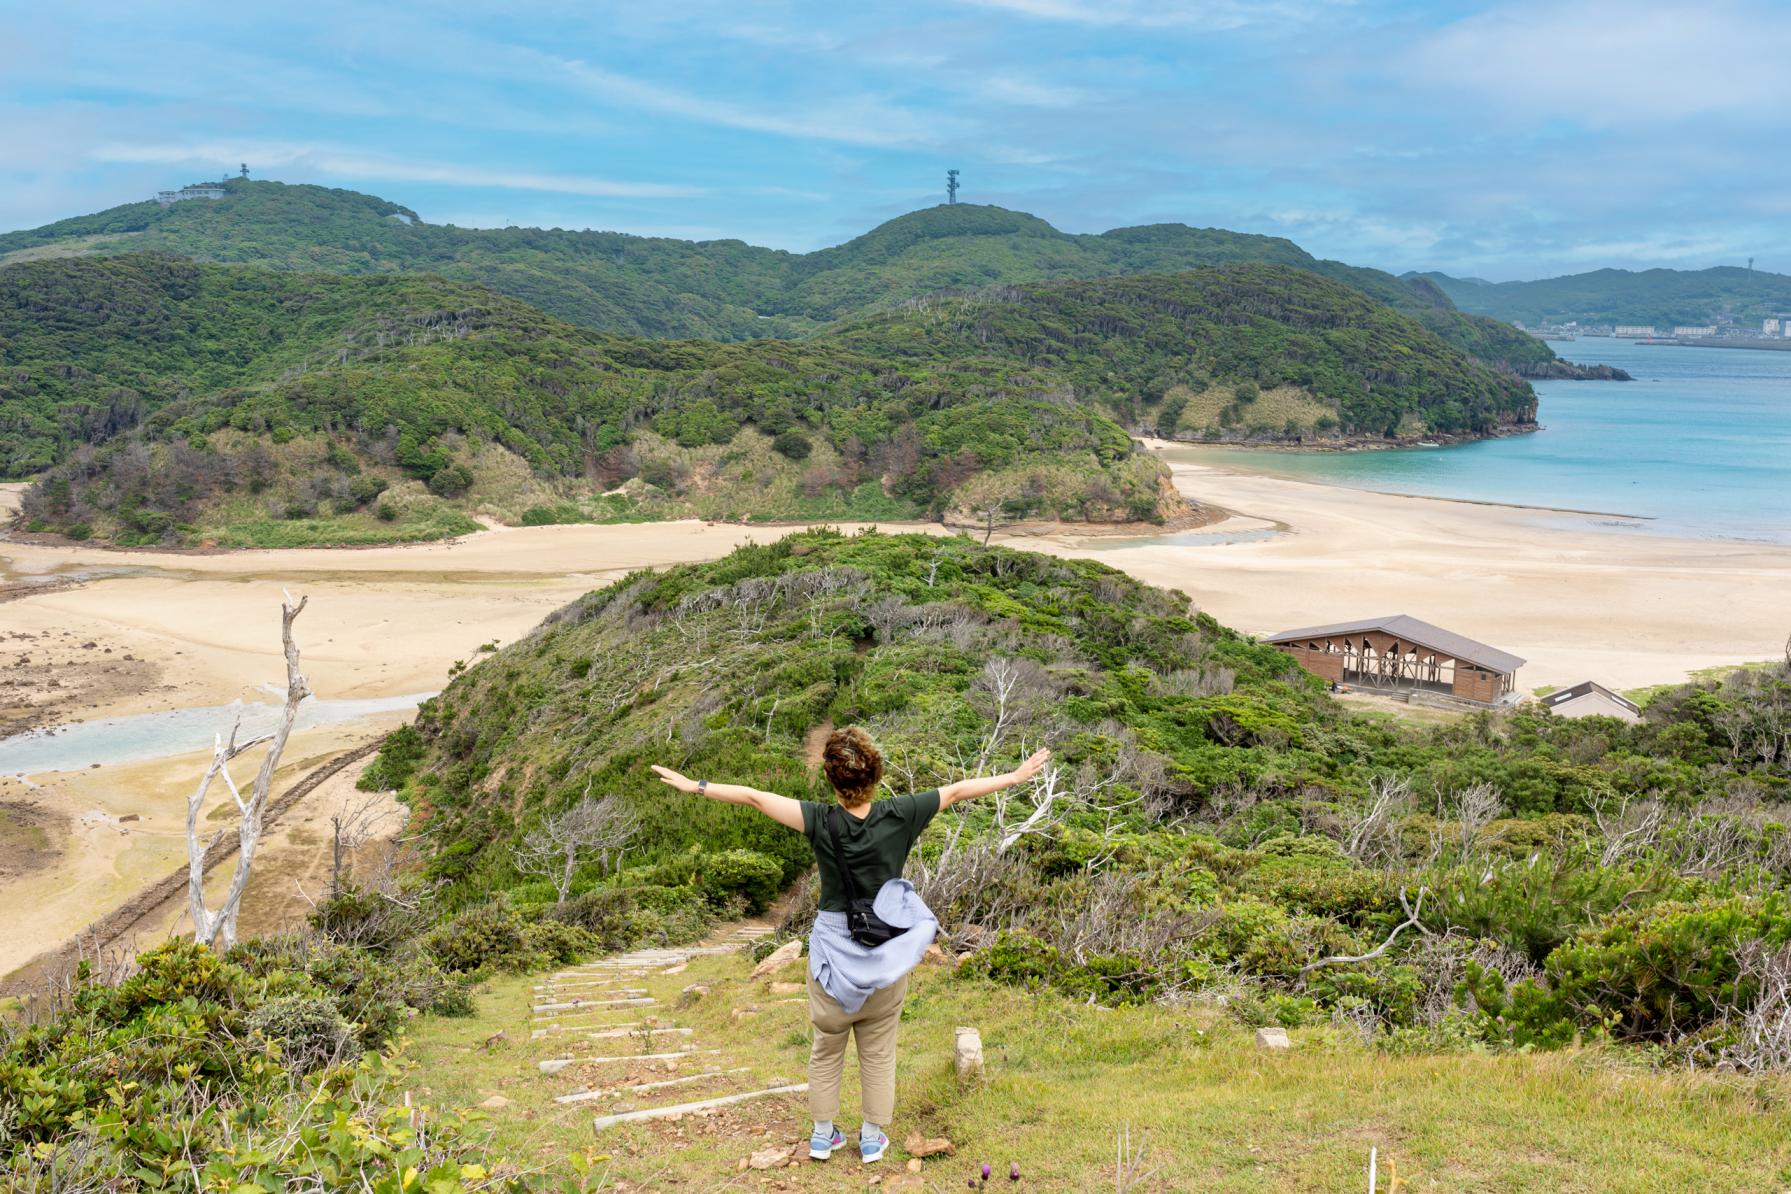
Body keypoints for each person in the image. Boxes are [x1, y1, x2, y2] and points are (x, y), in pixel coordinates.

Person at [651, 728, 1050, 1164]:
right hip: (886, 949)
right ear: (875, 776)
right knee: (878, 1050)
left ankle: (823, 1136)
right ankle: (873, 1138)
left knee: (826, 1046)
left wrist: (698, 786)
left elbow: (755, 797)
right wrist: (1013, 777)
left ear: (832, 781)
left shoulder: (820, 820)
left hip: (831, 954)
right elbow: (956, 792)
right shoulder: (901, 814)